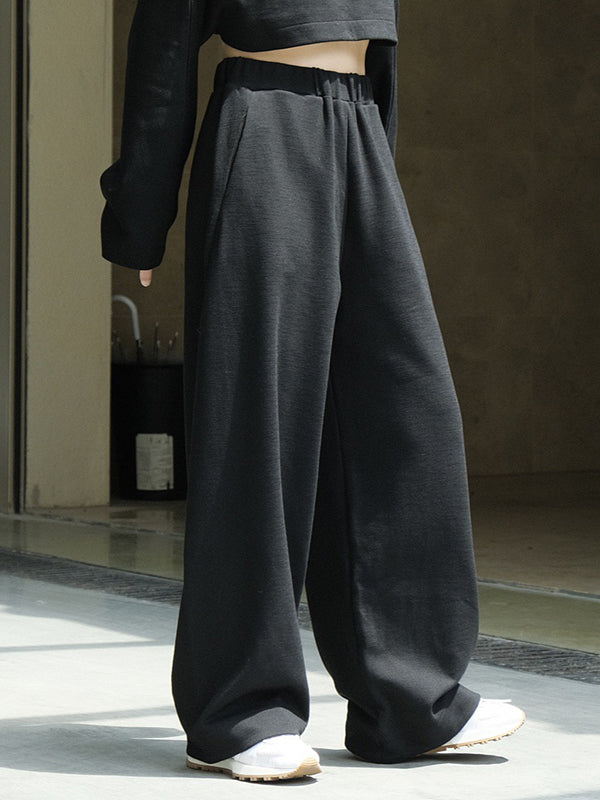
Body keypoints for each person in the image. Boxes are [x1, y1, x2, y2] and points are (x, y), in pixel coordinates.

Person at [99, 0, 526, 783]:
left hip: (357, 127)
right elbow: (163, 43)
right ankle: (236, 713)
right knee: (256, 425)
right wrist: (140, 215)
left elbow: (376, 42)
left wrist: (373, 170)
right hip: (264, 121)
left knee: (405, 414)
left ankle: (408, 697)